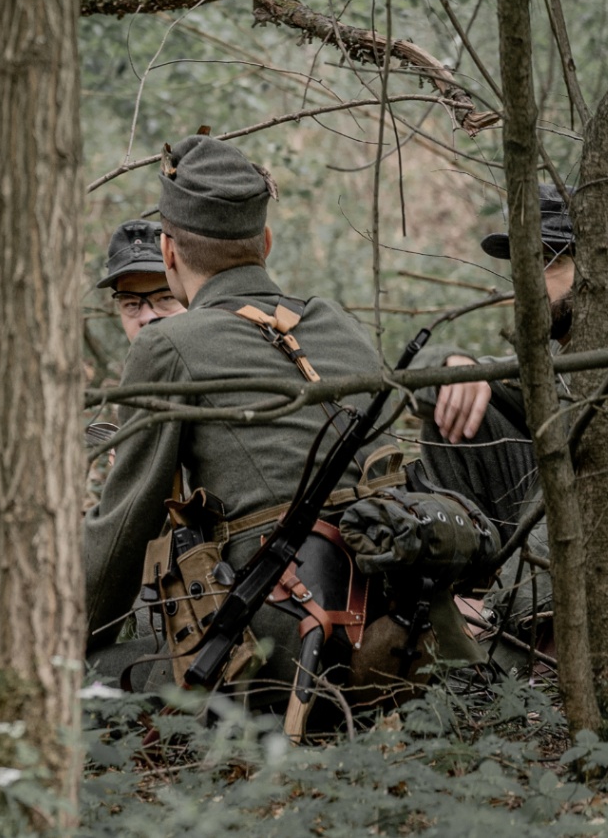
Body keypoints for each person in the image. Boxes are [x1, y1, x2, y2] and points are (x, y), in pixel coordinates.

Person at [82, 135, 397, 702]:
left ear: (169, 251)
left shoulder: (168, 345)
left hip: (279, 640)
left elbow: (124, 530)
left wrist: (53, 630)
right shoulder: (335, 320)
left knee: (86, 678)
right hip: (394, 612)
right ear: (267, 242)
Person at [0, 217, 186, 589]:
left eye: (164, 297)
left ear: (187, 291)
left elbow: (125, 533)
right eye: (132, 304)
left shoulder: (195, 370)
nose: (147, 316)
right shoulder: (140, 383)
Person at [413, 183, 571, 634]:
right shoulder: (552, 361)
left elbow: (566, 485)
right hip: (524, 566)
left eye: (548, 261)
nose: (528, 282)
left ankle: (514, 624)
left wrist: (502, 613)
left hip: (553, 593)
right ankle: (469, 587)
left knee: (576, 443)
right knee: (456, 404)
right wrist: (452, 365)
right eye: (523, 265)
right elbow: (422, 384)